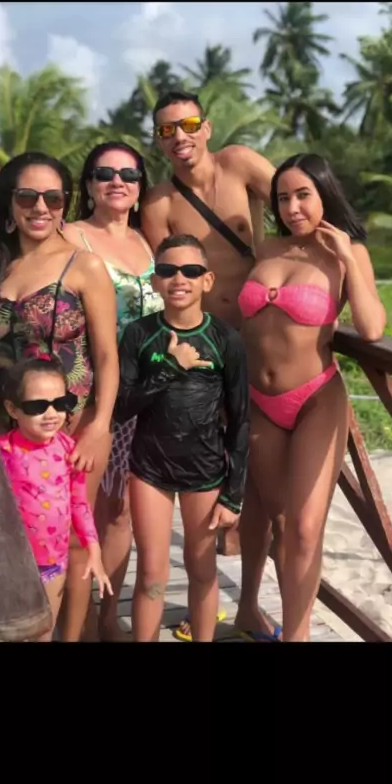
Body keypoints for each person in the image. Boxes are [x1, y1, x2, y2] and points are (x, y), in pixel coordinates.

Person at [0, 151, 119, 642]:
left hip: (72, 428)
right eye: (27, 196)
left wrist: (100, 426)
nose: (41, 207)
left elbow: (107, 356)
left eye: (53, 197)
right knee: (8, 538)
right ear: (9, 202)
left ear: (66, 204)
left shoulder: (85, 265)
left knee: (74, 540)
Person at [141, 89, 276, 640]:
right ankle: (208, 599)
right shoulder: (158, 203)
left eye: (189, 124)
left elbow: (300, 202)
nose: (180, 136)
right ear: (158, 140)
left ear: (208, 127)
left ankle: (248, 605)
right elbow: (162, 287)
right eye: (166, 130)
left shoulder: (240, 165)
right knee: (211, 472)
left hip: (263, 341)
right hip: (205, 353)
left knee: (261, 481)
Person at [239, 153, 386, 641]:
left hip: (315, 399)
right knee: (281, 523)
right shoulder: (267, 249)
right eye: (283, 198)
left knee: (305, 527)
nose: (293, 207)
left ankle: (297, 637)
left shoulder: (347, 253)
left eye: (303, 195)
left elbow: (371, 327)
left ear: (325, 194)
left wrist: (347, 256)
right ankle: (277, 621)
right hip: (259, 400)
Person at [113, 234, 250, 642]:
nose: (179, 279)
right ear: (155, 280)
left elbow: (241, 420)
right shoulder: (139, 334)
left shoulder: (226, 339)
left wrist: (233, 495)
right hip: (149, 467)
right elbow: (122, 407)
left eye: (190, 271)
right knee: (151, 574)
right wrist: (170, 368)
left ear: (207, 280)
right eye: (168, 270)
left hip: (205, 468)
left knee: (202, 569)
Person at [63, 141, 164, 641]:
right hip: (87, 396)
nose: (117, 181)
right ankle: (74, 620)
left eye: (128, 174)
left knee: (120, 511)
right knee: (78, 512)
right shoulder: (68, 236)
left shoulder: (150, 241)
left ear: (141, 186)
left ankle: (106, 615)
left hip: (145, 400)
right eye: (104, 173)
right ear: (88, 185)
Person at [0, 356, 113, 641]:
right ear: (12, 409)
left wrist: (94, 550)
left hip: (53, 564)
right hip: (11, 563)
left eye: (60, 403)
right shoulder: (0, 452)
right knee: (10, 631)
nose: (51, 413)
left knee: (44, 630)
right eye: (37, 406)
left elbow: (80, 505)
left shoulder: (70, 450)